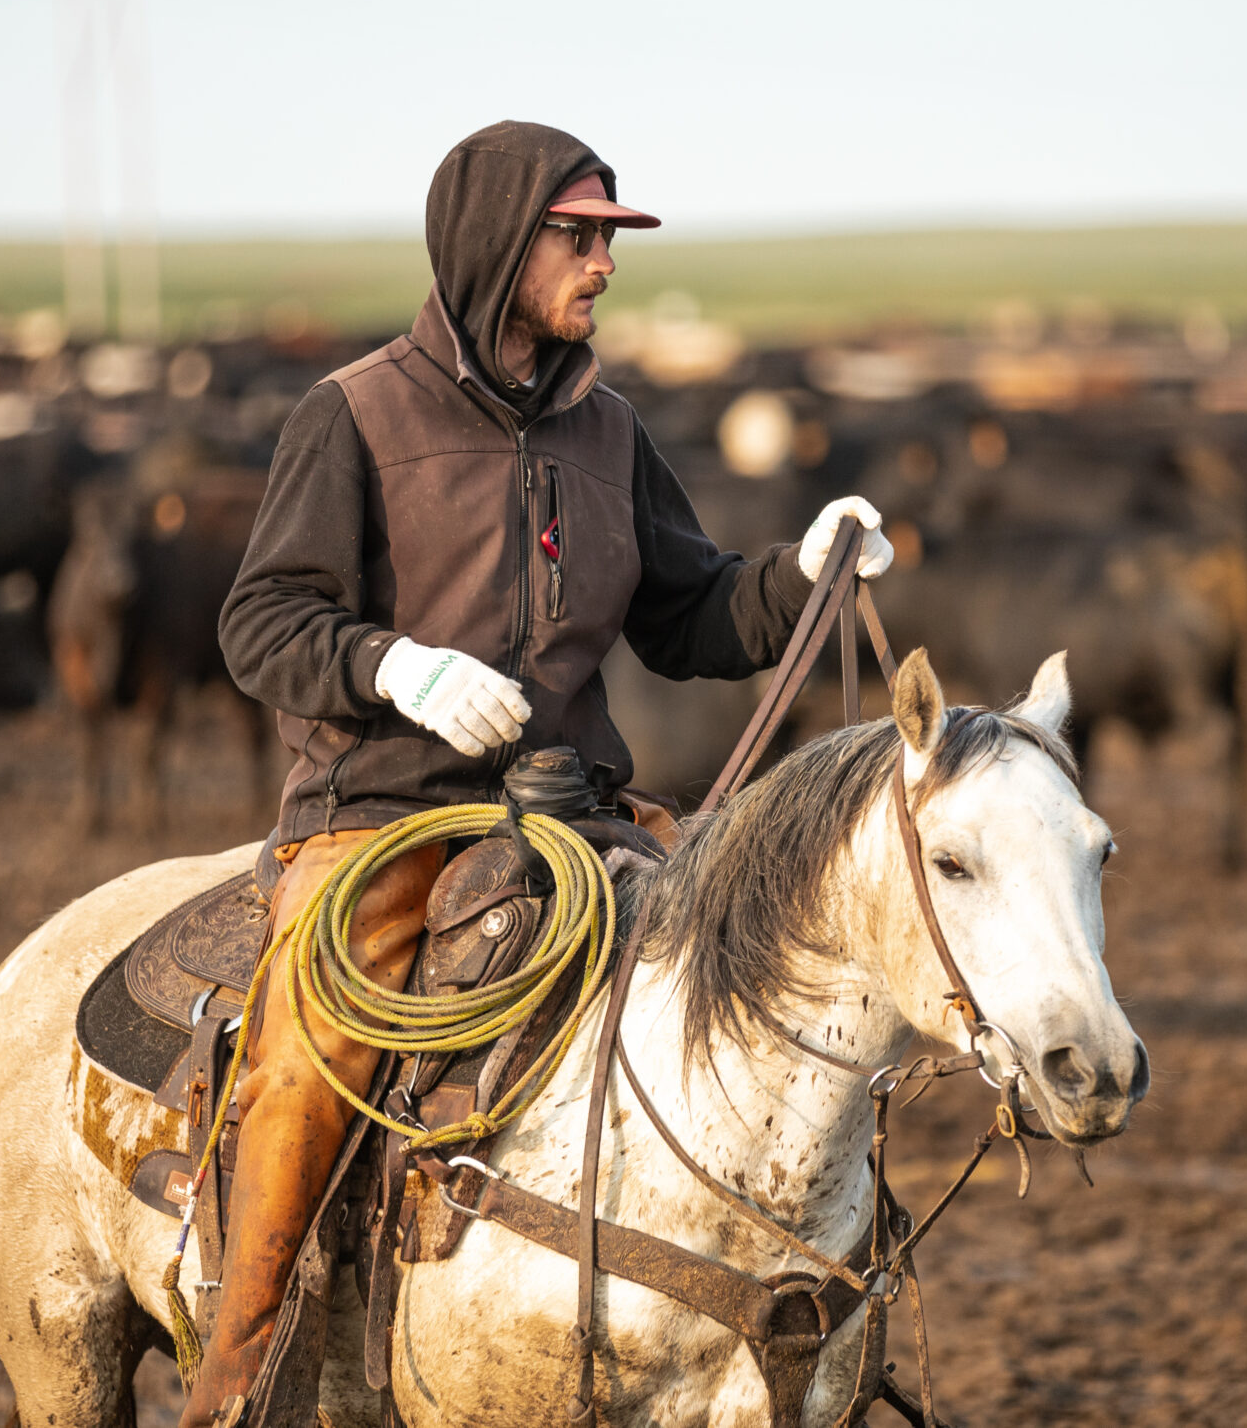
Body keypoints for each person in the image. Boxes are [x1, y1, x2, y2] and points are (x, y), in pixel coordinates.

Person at [187, 119, 892, 1423]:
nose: (601, 267)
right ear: (497, 244)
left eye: (607, 241)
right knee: (304, 1064)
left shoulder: (608, 431)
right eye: (579, 238)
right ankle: (247, 1375)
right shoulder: (351, 415)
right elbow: (261, 621)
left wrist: (801, 573)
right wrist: (396, 670)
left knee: (764, 993)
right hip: (385, 824)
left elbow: (693, 618)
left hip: (581, 818)